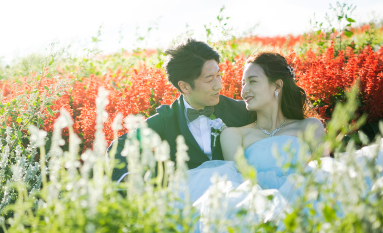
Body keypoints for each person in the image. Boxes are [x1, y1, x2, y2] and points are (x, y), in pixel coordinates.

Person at [186, 51, 326, 202]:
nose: (244, 91)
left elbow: (325, 176)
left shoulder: (310, 127)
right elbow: (239, 190)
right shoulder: (234, 136)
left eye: (252, 81)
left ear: (277, 85)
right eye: (243, 83)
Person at [109, 39, 254, 182]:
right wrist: (133, 181)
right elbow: (117, 148)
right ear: (184, 87)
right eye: (209, 79)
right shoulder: (165, 121)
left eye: (218, 75)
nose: (218, 85)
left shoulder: (241, 111)